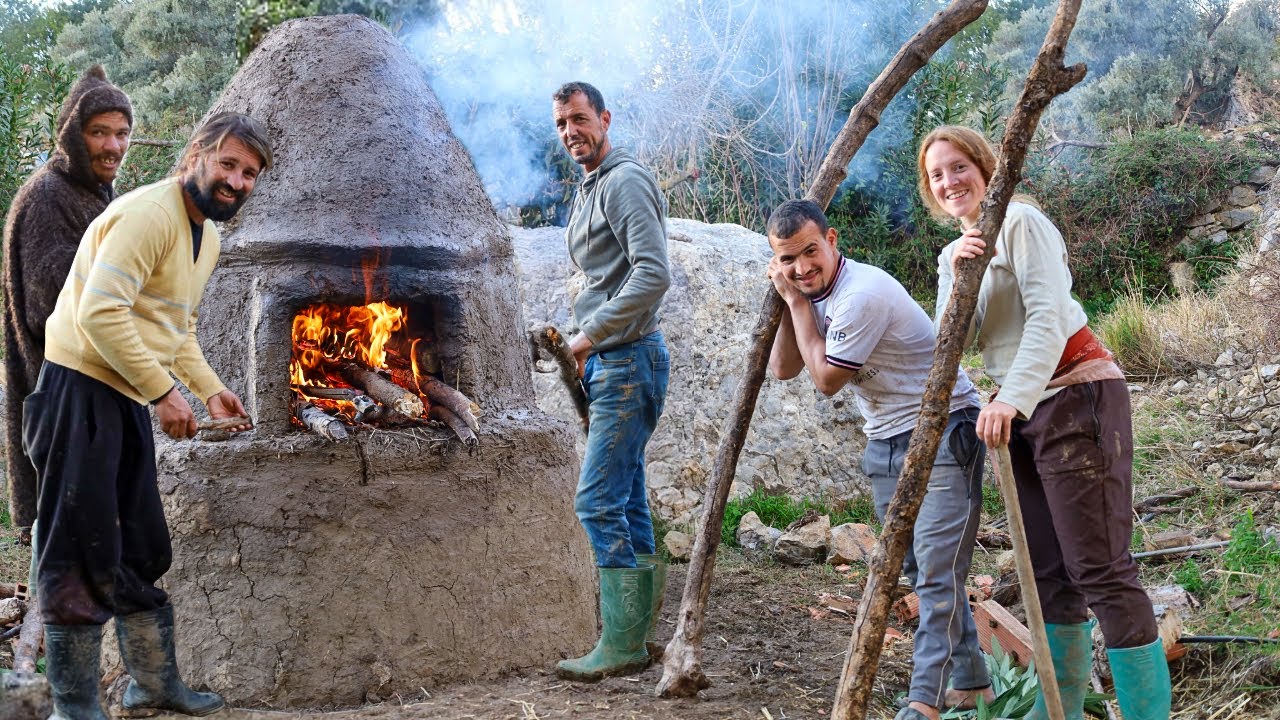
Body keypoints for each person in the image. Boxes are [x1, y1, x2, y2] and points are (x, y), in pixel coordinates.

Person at [24, 111, 273, 720]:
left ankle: (152, 686)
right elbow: (100, 315)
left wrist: (209, 389)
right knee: (78, 547)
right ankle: (75, 706)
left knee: (140, 543)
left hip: (127, 391)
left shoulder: (205, 237)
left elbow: (175, 328)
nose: (237, 182)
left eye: (249, 173)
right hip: (78, 390)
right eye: (228, 164)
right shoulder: (147, 215)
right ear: (196, 155)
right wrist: (165, 393)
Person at [920, 125, 1170, 720]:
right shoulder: (957, 251)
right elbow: (950, 344)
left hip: (1073, 393)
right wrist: (951, 273)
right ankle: (1058, 707)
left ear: (985, 169)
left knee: (1100, 566)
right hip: (1023, 408)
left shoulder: (1022, 223)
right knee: (1048, 570)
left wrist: (1012, 398)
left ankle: (1147, 714)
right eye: (937, 175)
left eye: (960, 167)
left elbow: (1049, 317)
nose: (951, 181)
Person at [765, 199, 993, 720]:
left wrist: (797, 305)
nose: (802, 268)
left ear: (833, 240)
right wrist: (788, 300)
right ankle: (972, 684)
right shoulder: (804, 289)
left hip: (943, 428)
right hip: (886, 438)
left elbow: (824, 381)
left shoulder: (860, 294)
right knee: (915, 569)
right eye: (788, 259)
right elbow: (782, 367)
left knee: (938, 573)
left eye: (810, 252)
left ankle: (924, 703)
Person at [550, 81, 672, 681]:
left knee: (595, 501)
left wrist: (586, 337)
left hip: (627, 359)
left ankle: (621, 643)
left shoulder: (624, 181)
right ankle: (637, 637)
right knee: (624, 497)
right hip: (612, 360)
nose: (571, 131)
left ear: (605, 117)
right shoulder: (592, 186)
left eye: (579, 119)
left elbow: (653, 275)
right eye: (561, 124)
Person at [2, 65, 132, 546]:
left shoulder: (89, 193)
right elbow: (50, 307)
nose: (113, 146)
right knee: (64, 553)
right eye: (99, 133)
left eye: (121, 133)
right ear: (73, 136)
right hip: (57, 396)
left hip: (83, 395)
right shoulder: (48, 197)